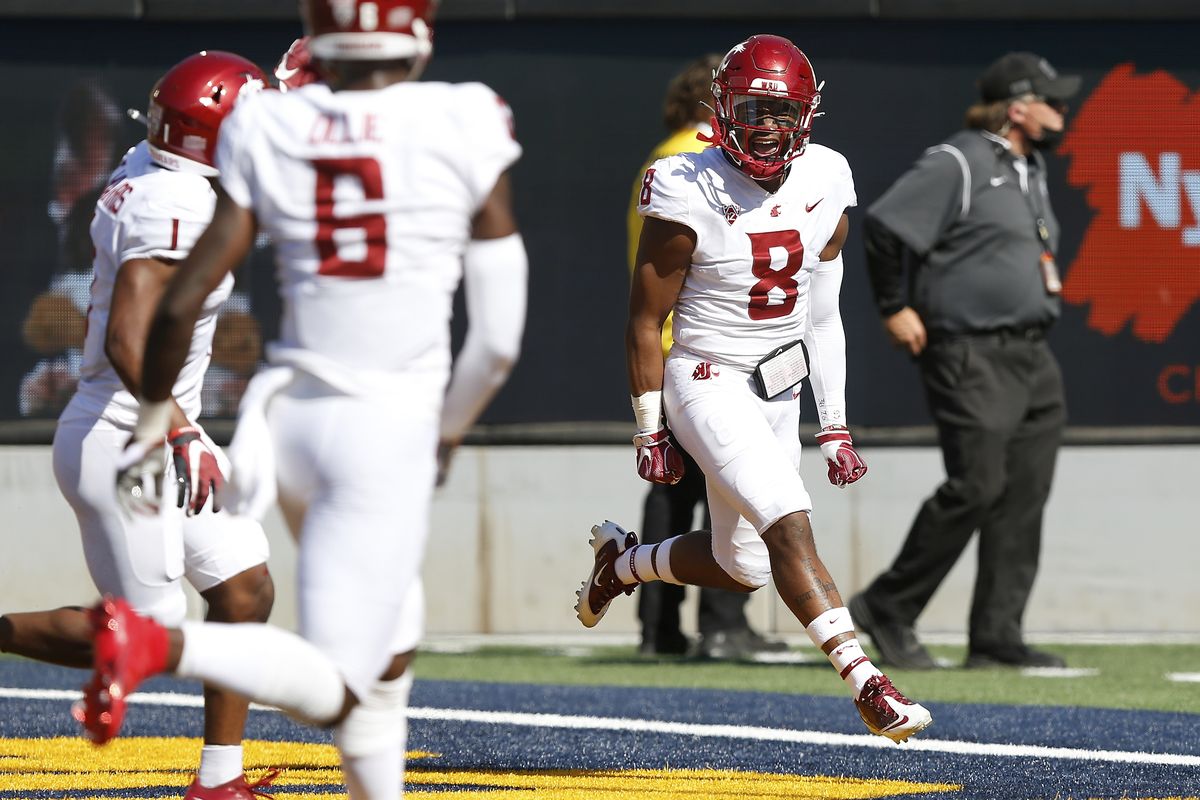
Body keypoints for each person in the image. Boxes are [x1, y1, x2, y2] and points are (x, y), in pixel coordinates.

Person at [82, 3, 527, 798]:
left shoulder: (264, 131)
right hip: (384, 424)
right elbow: (495, 342)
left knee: (387, 659)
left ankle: (249, 762)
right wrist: (449, 432)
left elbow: (180, 303)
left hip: (285, 420)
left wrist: (157, 423)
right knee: (348, 679)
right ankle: (157, 645)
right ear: (418, 34)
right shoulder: (464, 116)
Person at [577, 34, 931, 743]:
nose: (766, 125)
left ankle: (624, 563)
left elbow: (823, 312)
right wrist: (650, 428)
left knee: (743, 568)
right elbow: (645, 321)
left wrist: (834, 423)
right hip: (705, 376)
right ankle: (868, 684)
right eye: (752, 109)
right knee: (788, 519)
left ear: (806, 115)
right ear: (722, 109)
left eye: (780, 111)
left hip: (779, 384)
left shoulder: (828, 176)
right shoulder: (686, 183)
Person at [0, 52, 278, 798]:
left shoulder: (152, 168)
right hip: (131, 432)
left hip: (149, 424)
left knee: (244, 588)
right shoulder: (174, 206)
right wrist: (180, 428)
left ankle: (219, 780)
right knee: (146, 632)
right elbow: (129, 338)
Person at [850, 52, 1076, 671]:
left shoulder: (1029, 167)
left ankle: (997, 634)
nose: (1063, 110)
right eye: (1051, 100)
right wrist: (894, 306)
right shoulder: (960, 160)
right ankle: (889, 605)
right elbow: (885, 226)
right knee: (976, 485)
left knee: (1023, 493)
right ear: (1016, 105)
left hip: (1032, 354)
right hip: (969, 349)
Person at [626, 54, 784, 661]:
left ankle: (657, 627)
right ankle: (723, 622)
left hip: (667, 344)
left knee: (672, 488)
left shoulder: (660, 155)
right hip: (709, 349)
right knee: (739, 484)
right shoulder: (698, 157)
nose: (762, 119)